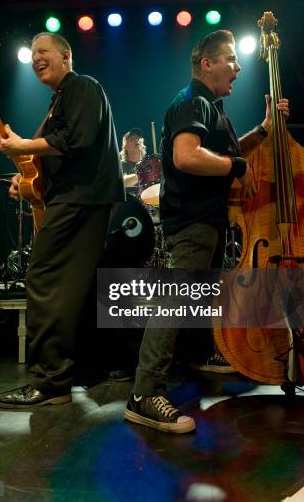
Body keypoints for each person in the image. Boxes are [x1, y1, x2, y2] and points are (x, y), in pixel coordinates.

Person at [124, 29, 289, 433]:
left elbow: (227, 155)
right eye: (230, 59)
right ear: (207, 64)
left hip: (208, 220)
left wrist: (264, 130)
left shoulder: (211, 107)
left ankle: (198, 356)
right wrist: (237, 167)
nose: (238, 67)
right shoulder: (193, 101)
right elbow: (185, 156)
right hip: (192, 220)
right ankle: (144, 394)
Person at [0, 32, 125, 409]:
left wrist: (23, 146)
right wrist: (26, 181)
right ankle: (73, 372)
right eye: (32, 53)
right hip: (77, 197)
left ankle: (50, 383)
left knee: (45, 279)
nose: (36, 58)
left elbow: (76, 140)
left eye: (43, 51)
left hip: (82, 199)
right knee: (70, 287)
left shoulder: (82, 87)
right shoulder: (61, 100)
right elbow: (57, 155)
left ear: (66, 55)